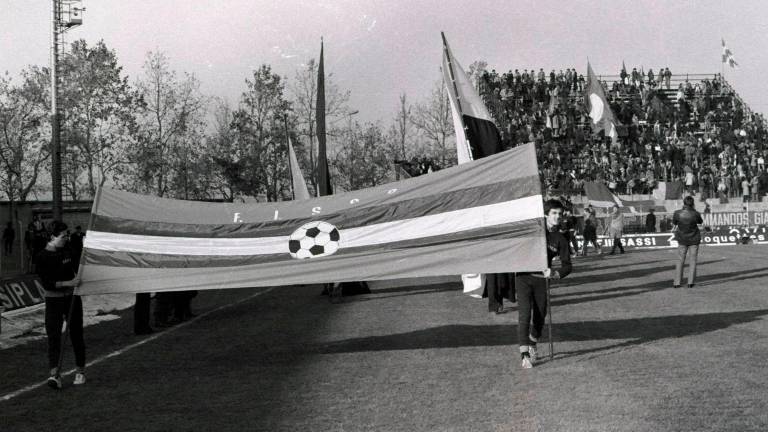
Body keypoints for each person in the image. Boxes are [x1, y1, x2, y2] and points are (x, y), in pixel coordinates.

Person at [517, 199, 572, 369]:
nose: (557, 217)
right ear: (546, 215)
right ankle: (525, 354)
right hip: (523, 277)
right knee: (525, 314)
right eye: (554, 213)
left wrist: (555, 273)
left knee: (540, 316)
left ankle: (533, 343)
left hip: (542, 279)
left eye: (560, 214)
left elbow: (568, 265)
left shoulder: (560, 238)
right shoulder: (534, 231)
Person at [36, 221, 84, 389]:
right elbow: (47, 283)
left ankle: (80, 371)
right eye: (63, 236)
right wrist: (68, 282)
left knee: (76, 333)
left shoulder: (68, 249)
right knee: (53, 336)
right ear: (52, 237)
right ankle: (55, 374)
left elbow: (78, 264)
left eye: (67, 235)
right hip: (53, 301)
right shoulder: (42, 256)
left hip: (72, 299)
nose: (66, 238)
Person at [672, 196, 703, 288]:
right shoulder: (695, 213)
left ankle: (677, 282)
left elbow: (674, 223)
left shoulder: (677, 213)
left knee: (680, 260)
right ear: (692, 203)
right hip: (694, 238)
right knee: (693, 260)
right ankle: (690, 282)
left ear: (684, 203)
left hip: (682, 238)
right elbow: (700, 222)